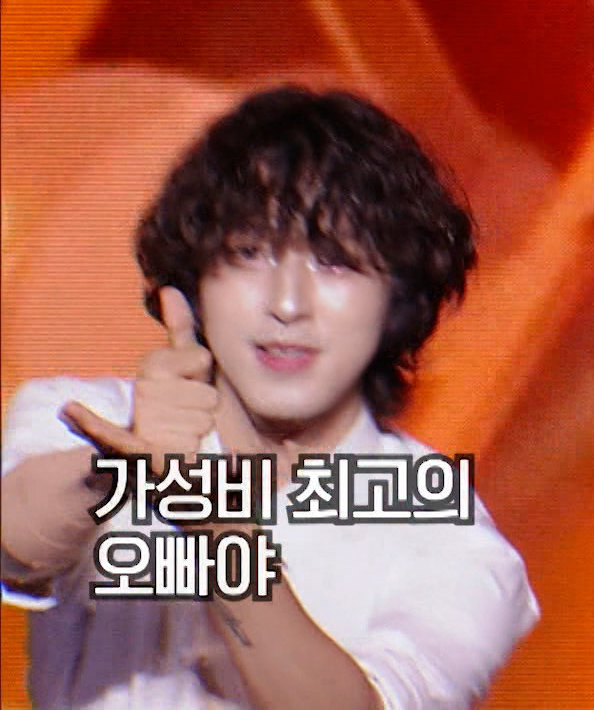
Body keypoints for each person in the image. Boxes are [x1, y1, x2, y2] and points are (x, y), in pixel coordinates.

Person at [1, 86, 539, 709]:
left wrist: (218, 525)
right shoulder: (83, 414)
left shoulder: (450, 538)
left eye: (335, 263)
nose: (287, 304)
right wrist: (119, 470)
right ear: (191, 283)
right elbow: (13, 543)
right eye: (249, 254)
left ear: (398, 301)